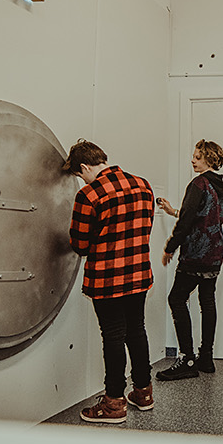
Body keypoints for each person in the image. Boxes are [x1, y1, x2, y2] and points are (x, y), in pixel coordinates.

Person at [65, 139, 156, 424]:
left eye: (79, 175)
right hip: (139, 273)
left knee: (113, 335)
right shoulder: (143, 185)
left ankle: (114, 403)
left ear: (84, 167)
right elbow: (146, 227)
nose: (81, 180)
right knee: (136, 330)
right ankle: (143, 392)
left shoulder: (89, 195)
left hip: (107, 278)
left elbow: (80, 244)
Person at [155, 139, 223, 381]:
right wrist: (174, 211)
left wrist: (170, 247)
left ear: (208, 159)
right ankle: (206, 357)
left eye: (197, 157)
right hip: (215, 252)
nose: (193, 160)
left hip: (196, 254)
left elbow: (188, 221)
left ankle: (187, 359)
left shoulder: (198, 183)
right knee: (207, 300)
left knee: (176, 298)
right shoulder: (220, 186)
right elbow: (208, 217)